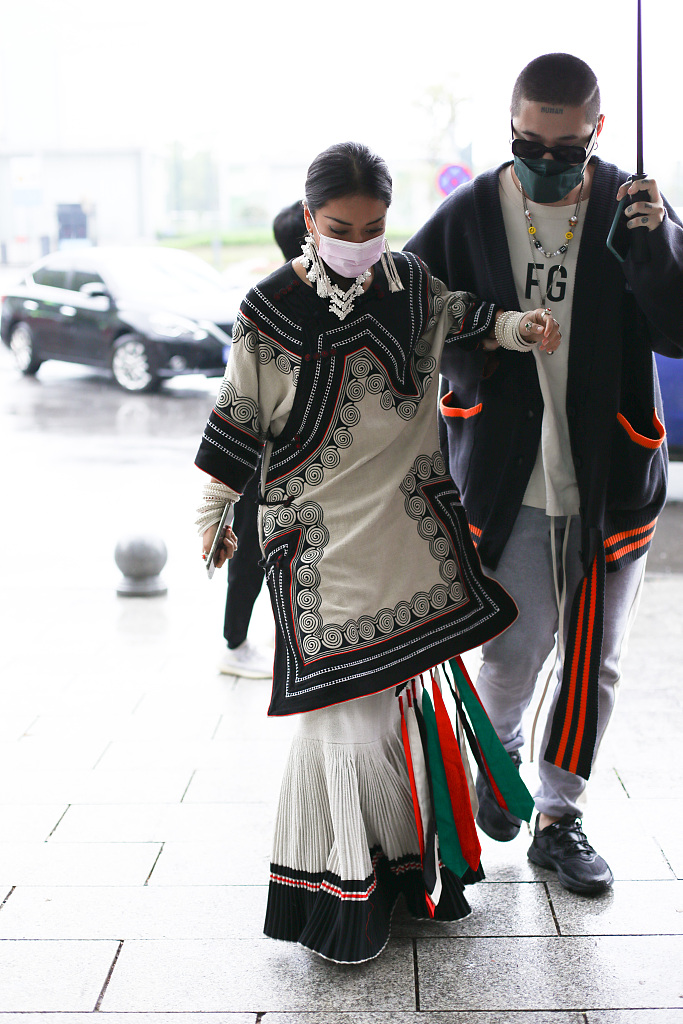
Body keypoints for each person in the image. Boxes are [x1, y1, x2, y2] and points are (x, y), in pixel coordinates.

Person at [194, 141, 558, 963]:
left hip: (403, 538)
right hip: (318, 543)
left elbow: (463, 315)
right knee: (345, 720)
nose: (359, 242)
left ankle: (396, 880)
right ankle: (335, 904)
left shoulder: (407, 282)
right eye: (340, 227)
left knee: (386, 714)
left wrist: (516, 327)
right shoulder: (270, 307)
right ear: (309, 217)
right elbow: (237, 416)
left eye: (374, 226)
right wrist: (215, 512)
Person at [406, 53, 683, 896]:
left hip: (608, 477)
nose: (545, 159)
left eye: (564, 147)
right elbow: (410, 319)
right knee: (512, 653)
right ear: (512, 127)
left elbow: (673, 331)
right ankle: (495, 773)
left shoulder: (634, 209)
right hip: (504, 478)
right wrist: (490, 331)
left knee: (594, 663)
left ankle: (560, 820)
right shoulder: (467, 216)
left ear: (595, 132)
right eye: (528, 141)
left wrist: (653, 248)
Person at [219, 202, 307, 678]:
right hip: (265, 457)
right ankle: (234, 645)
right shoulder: (280, 300)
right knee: (254, 555)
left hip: (265, 458)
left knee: (260, 554)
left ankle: (245, 642)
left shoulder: (278, 292)